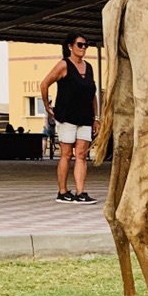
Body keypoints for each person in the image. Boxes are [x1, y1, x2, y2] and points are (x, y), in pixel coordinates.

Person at [43, 36, 97, 203]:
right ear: (70, 46)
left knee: (81, 154)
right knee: (66, 154)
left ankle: (81, 192)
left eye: (86, 45)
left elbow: (92, 93)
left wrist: (96, 117)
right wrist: (46, 106)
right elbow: (44, 83)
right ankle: (63, 191)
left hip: (85, 117)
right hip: (67, 117)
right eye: (80, 45)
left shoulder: (88, 67)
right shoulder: (64, 65)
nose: (83, 48)